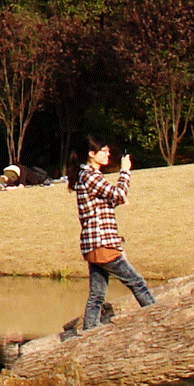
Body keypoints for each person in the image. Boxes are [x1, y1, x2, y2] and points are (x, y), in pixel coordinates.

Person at [69, 133, 156, 331]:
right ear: (91, 154)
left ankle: (90, 330)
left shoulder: (87, 176)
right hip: (102, 243)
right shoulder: (90, 176)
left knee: (97, 294)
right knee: (137, 282)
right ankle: (157, 318)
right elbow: (118, 194)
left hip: (95, 244)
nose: (108, 154)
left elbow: (108, 201)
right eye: (104, 150)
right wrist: (125, 172)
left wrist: (118, 198)